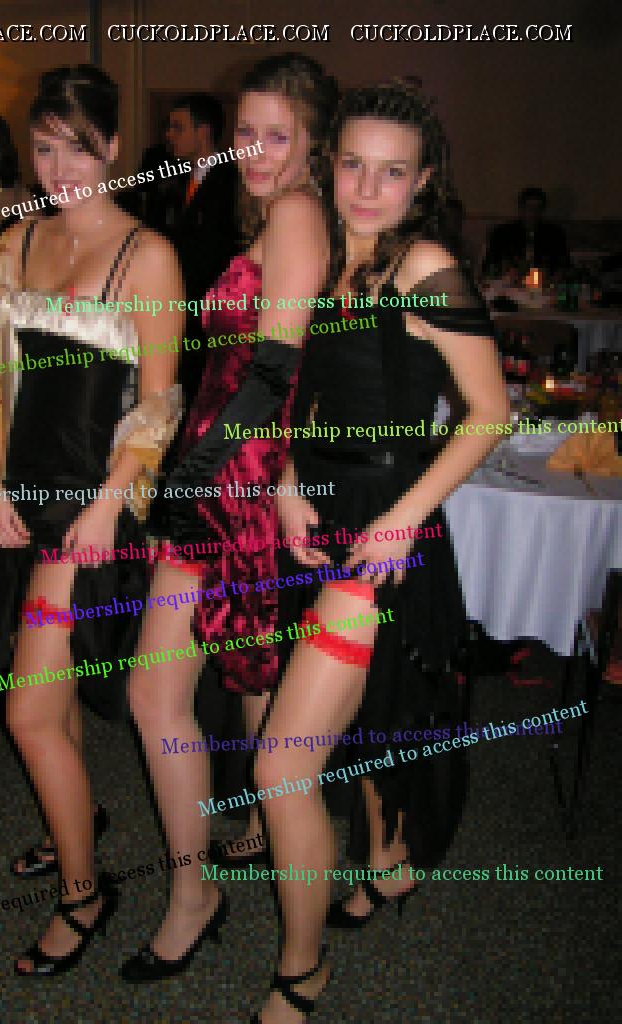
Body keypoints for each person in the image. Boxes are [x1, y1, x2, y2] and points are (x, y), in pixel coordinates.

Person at [251, 82, 509, 1022]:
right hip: (318, 514)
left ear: (424, 180)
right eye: (353, 164)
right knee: (362, 718)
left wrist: (401, 521)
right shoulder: (328, 256)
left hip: (385, 530)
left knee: (282, 766)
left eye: (392, 172)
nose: (367, 187)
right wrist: (285, 480)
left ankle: (302, 969)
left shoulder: (425, 267)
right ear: (330, 164)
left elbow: (489, 414)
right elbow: (299, 392)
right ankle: (385, 864)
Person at [0, 65, 183, 976]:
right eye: (44, 148)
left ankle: (85, 895)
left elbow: (157, 407)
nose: (60, 169)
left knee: (29, 713)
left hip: (88, 509)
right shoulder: (14, 241)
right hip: (18, 496)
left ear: (112, 147)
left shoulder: (147, 255)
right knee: (51, 691)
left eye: (78, 148)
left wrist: (106, 502)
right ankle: (74, 819)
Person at [121, 53, 335, 984]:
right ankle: (212, 875)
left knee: (158, 695)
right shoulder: (277, 211)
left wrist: (191, 482)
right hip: (230, 474)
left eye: (277, 135)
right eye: (245, 131)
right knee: (219, 687)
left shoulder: (294, 213)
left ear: (313, 140)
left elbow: (274, 373)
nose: (254, 149)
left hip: (230, 483)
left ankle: (196, 896)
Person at [163, 94, 241, 404]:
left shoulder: (232, 182)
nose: (169, 135)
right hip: (177, 307)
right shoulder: (174, 179)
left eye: (178, 127)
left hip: (209, 314)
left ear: (203, 131)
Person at [482, 186, 570, 277]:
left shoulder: (555, 234)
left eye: (538, 208)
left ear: (543, 210)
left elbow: (564, 266)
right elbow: (489, 265)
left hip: (544, 282)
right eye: (529, 208)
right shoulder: (502, 233)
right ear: (521, 209)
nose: (533, 213)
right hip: (509, 282)